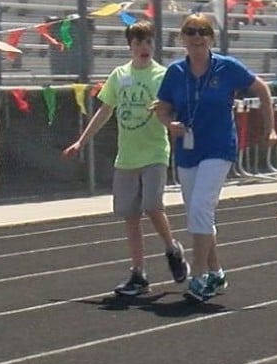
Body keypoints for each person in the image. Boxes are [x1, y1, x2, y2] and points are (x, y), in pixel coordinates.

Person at [155, 14, 277, 303]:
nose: (197, 37)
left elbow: (261, 88)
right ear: (182, 37)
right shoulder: (175, 72)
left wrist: (270, 127)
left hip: (219, 146)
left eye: (203, 32)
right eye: (191, 32)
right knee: (197, 212)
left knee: (201, 206)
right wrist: (168, 124)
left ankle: (197, 277)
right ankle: (216, 270)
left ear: (211, 37)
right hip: (187, 149)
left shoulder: (227, 67)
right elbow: (162, 107)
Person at [61, 21, 189, 296]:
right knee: (130, 216)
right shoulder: (119, 75)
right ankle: (138, 273)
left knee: (153, 204)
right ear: (130, 46)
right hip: (127, 157)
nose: (144, 48)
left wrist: (170, 122)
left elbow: (172, 108)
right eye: (138, 43)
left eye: (148, 43)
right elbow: (105, 111)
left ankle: (172, 249)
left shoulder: (162, 76)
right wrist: (82, 141)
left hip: (154, 152)